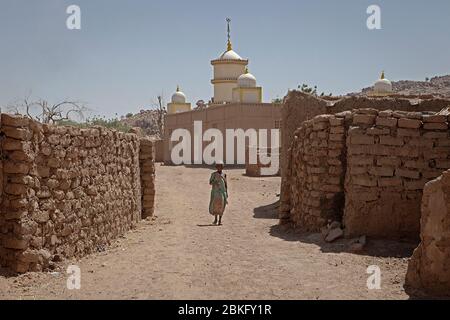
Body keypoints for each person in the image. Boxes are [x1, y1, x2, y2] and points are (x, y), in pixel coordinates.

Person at [209, 160, 228, 225]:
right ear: (216, 167)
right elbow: (210, 182)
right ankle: (215, 219)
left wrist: (226, 193)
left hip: (222, 193)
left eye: (221, 166)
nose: (219, 168)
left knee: (222, 206)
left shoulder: (224, 175)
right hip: (215, 192)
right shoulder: (213, 174)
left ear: (222, 167)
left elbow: (225, 184)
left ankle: (220, 220)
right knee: (215, 206)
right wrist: (215, 182)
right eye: (218, 166)